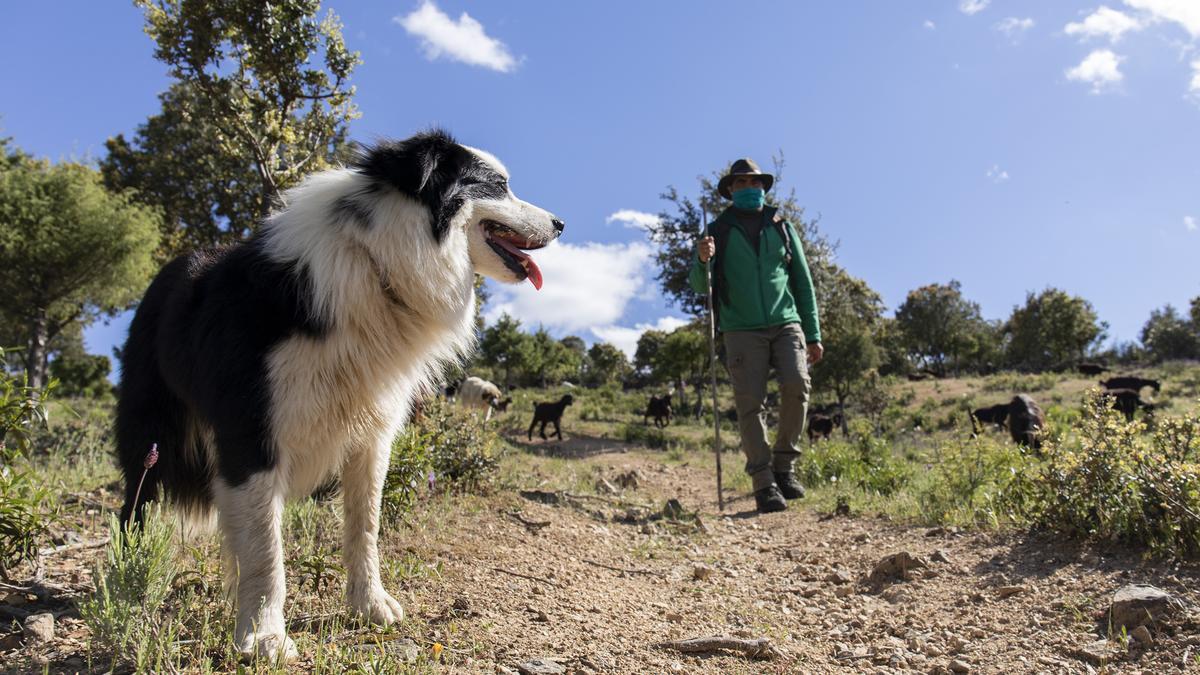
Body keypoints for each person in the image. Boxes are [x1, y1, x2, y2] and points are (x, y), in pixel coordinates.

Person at [689, 158, 823, 514]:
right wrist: (702, 260)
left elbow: (803, 284)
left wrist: (813, 333)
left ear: (763, 187)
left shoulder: (782, 226)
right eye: (742, 183)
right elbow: (701, 285)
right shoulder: (716, 230)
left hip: (787, 321)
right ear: (731, 190)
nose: (750, 188)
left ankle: (785, 467)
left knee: (797, 386)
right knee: (751, 404)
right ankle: (763, 482)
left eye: (755, 182)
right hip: (741, 329)